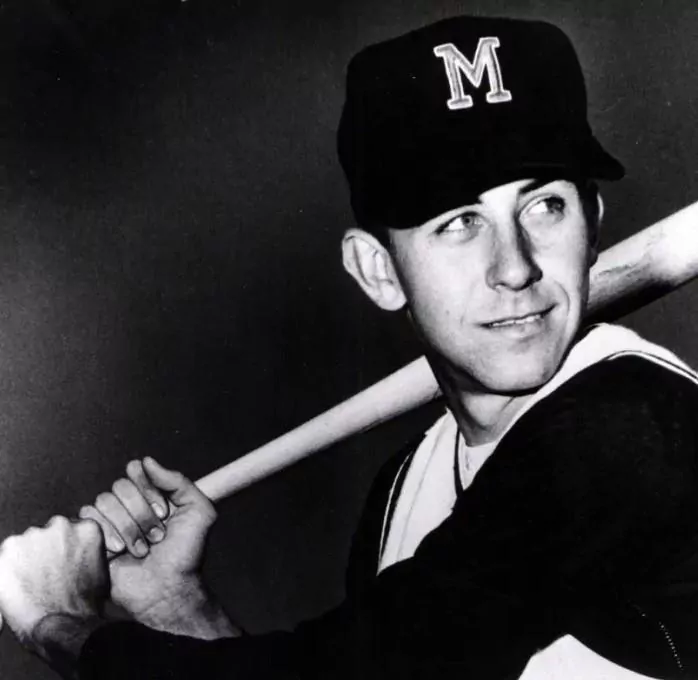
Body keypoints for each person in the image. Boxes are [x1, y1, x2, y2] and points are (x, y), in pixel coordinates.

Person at [1, 14, 698, 680]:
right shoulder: (406, 493)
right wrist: (176, 607)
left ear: (592, 224)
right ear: (378, 271)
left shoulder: (635, 426)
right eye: (459, 223)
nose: (514, 268)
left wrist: (56, 624)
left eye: (544, 206)